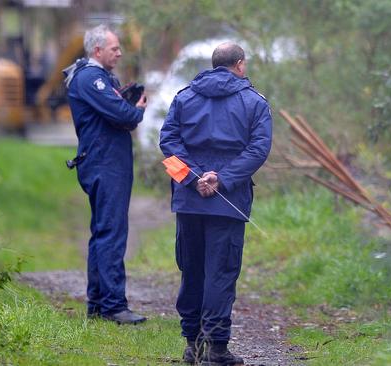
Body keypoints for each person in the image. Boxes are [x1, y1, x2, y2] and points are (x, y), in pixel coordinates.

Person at [159, 42, 272, 365]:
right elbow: (258, 150)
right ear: (239, 65)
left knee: (191, 270)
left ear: (213, 65)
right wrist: (221, 180)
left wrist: (193, 178)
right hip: (228, 201)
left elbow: (167, 145)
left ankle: (192, 345)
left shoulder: (183, 98)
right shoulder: (255, 103)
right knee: (220, 273)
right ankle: (216, 349)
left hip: (189, 201)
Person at [64, 24, 147, 324]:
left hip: (105, 161)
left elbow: (114, 114)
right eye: (115, 48)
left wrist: (126, 108)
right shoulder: (90, 78)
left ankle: (98, 304)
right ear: (97, 50)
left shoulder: (98, 77)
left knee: (103, 233)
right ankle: (114, 306)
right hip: (105, 164)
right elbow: (123, 115)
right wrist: (136, 110)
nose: (120, 52)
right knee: (111, 233)